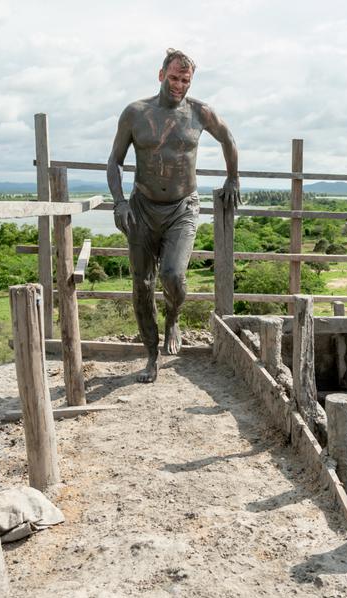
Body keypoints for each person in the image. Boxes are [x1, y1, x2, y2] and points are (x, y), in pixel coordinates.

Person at [107, 48, 240, 383]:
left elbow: (228, 138)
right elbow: (115, 161)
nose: (179, 84)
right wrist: (120, 202)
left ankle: (173, 316)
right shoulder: (135, 113)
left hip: (182, 208)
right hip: (141, 207)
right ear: (161, 74)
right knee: (142, 285)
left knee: (172, 276)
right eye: (174, 77)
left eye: (185, 80)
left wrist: (233, 177)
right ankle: (151, 356)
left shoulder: (200, 113)